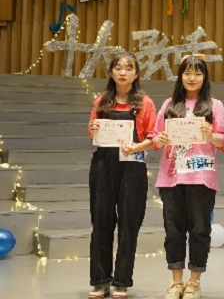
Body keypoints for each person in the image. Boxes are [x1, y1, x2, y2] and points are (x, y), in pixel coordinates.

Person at [152, 55, 224, 299]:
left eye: (197, 73)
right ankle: (176, 282)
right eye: (187, 73)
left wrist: (210, 135)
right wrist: (160, 139)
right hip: (171, 177)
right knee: (173, 230)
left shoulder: (215, 106)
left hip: (201, 176)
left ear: (205, 77)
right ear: (180, 76)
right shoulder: (169, 104)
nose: (192, 78)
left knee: (199, 230)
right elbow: (155, 139)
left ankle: (194, 282)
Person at [87, 51, 156, 298]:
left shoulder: (145, 103)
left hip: (132, 166)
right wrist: (93, 127)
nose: (123, 72)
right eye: (118, 68)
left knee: (129, 224)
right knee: (101, 222)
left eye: (129, 68)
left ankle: (121, 281)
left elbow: (153, 138)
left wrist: (136, 147)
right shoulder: (101, 101)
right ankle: (100, 281)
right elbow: (92, 132)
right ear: (112, 73)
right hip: (103, 166)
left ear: (136, 74)